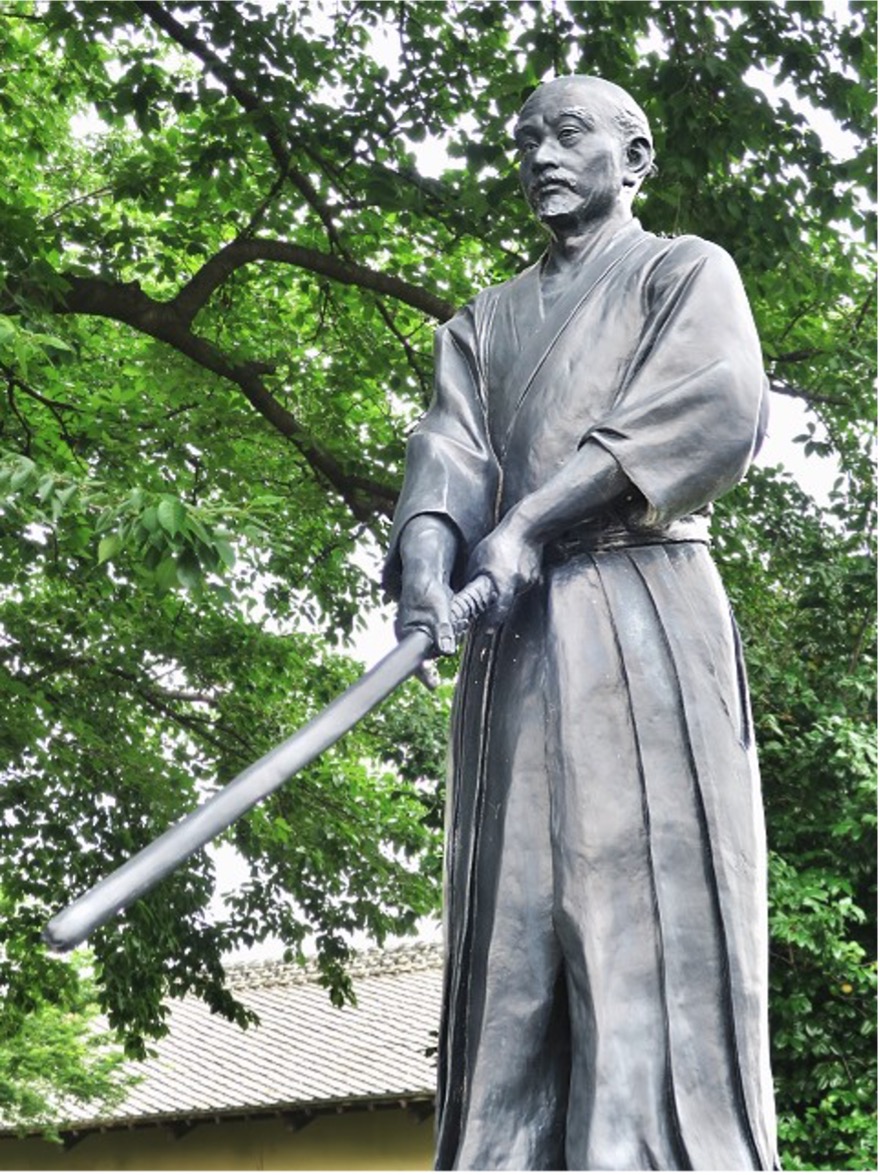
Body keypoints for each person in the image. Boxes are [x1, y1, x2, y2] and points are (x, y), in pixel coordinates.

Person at [383, 75, 778, 1171]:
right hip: (513, 639)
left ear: (634, 158)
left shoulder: (683, 271)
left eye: (567, 135)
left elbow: (711, 405)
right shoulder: (483, 323)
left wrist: (531, 520)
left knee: (639, 899)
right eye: (526, 142)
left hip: (643, 609)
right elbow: (449, 451)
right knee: (507, 913)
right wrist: (430, 559)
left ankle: (648, 1149)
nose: (541, 157)